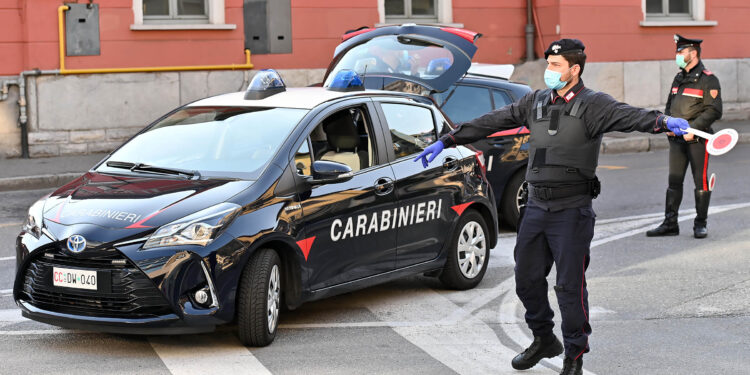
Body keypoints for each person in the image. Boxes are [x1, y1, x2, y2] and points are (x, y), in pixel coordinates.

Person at [414, 39, 690, 375]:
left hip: (572, 211)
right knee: (526, 280)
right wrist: (450, 138)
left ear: (575, 69)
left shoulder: (594, 105)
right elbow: (494, 120)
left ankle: (574, 354)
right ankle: (544, 338)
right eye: (548, 64)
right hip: (535, 207)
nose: (550, 71)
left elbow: (630, 116)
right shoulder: (535, 101)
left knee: (569, 287)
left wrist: (663, 122)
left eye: (556, 66)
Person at [646, 34, 722, 239]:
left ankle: (700, 224)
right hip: (677, 139)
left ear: (693, 53)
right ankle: (670, 223)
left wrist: (693, 128)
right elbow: (670, 105)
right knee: (674, 181)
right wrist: (667, 124)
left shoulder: (708, 79)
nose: (677, 55)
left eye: (681, 51)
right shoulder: (679, 77)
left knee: (700, 181)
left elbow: (714, 111)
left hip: (698, 139)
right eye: (677, 51)